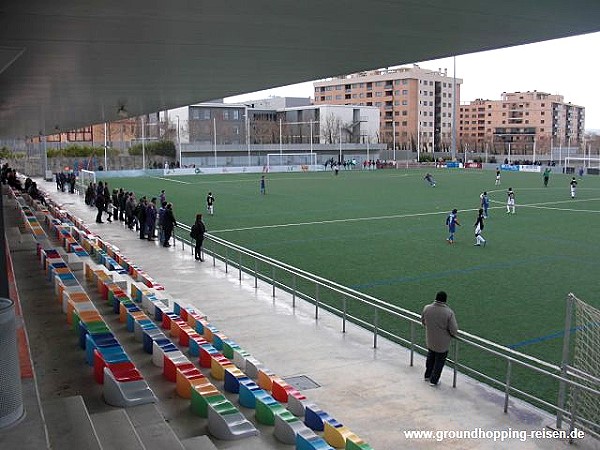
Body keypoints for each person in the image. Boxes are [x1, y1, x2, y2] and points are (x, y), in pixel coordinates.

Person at [421, 291, 459, 386]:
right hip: (442, 343)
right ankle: (434, 380)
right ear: (445, 300)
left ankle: (427, 375)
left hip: (430, 340)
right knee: (439, 362)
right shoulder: (449, 312)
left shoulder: (427, 308)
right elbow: (454, 330)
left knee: (430, 357)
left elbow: (423, 321)